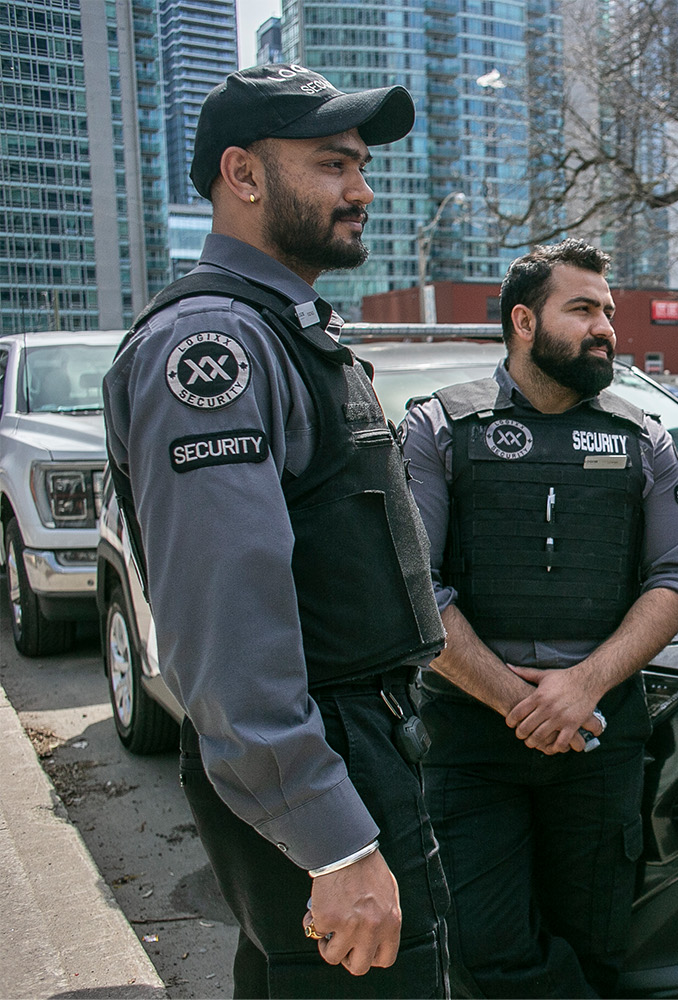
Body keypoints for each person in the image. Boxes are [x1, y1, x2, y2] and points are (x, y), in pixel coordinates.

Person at [101, 65, 452, 996]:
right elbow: (228, 621)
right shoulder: (210, 346)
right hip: (320, 752)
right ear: (243, 176)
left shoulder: (285, 327)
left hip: (354, 738)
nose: (363, 190)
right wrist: (334, 841)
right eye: (334, 164)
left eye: (363, 166)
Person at [400, 239, 678, 997]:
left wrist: (583, 687)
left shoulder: (644, 437)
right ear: (525, 321)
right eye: (584, 309)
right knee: (486, 950)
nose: (606, 326)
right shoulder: (439, 428)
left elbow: (677, 582)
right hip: (470, 738)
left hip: (598, 735)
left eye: (609, 310)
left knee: (597, 941)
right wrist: (518, 700)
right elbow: (414, 590)